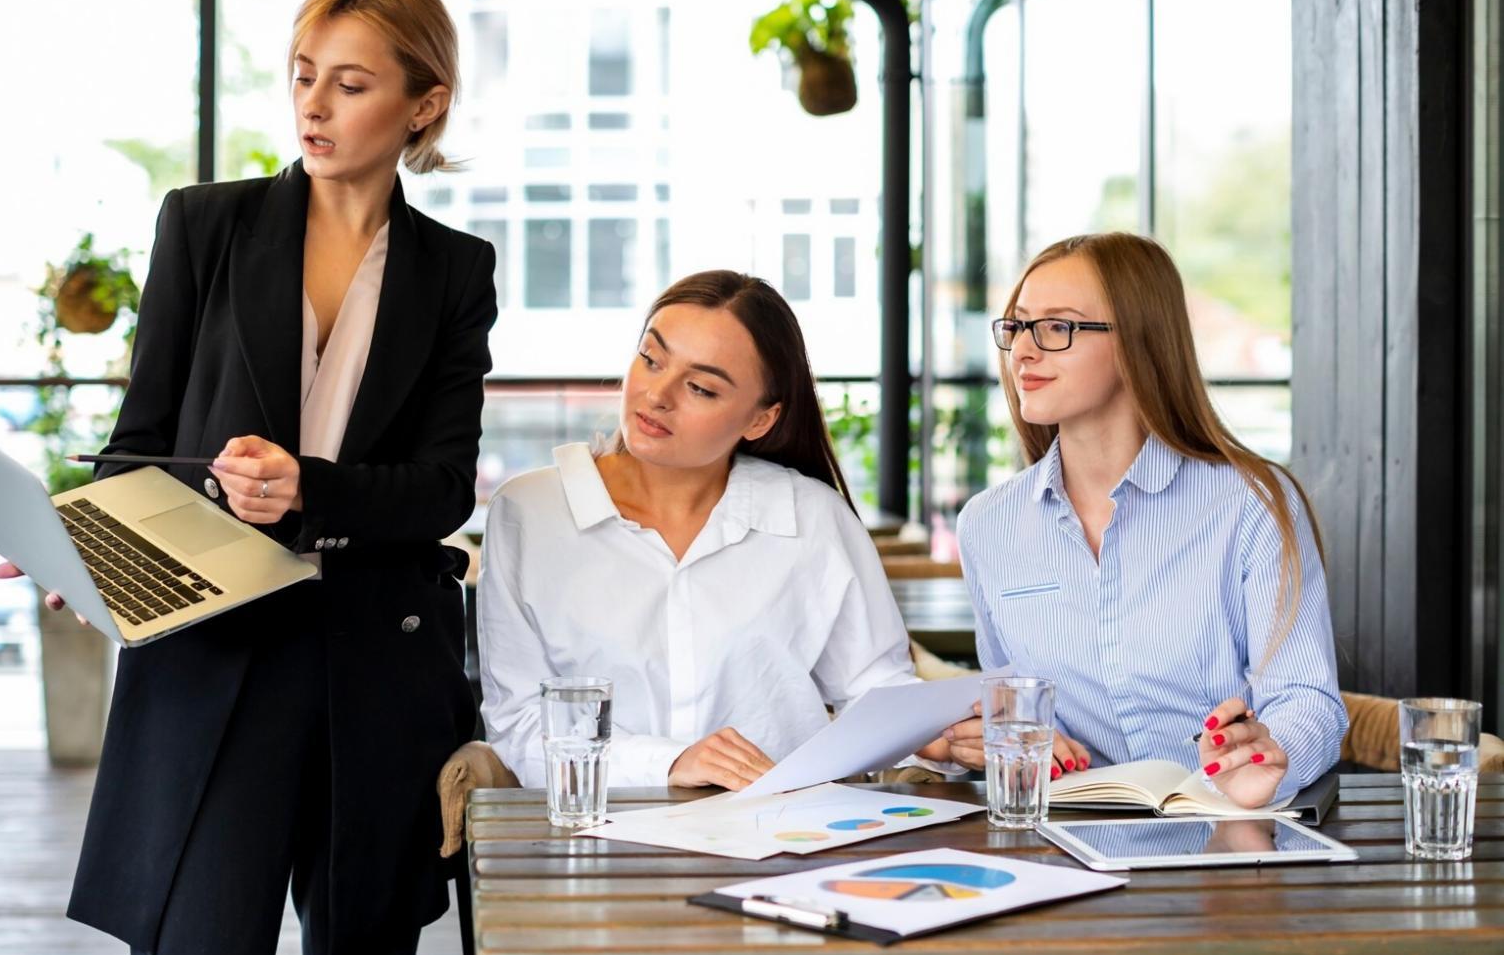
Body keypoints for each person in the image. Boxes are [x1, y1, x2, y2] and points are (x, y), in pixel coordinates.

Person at [0, 0, 495, 955]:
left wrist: (306, 488)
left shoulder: (454, 270)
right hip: (216, 647)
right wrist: (90, 546)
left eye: (351, 84)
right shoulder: (205, 227)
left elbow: (443, 486)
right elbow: (141, 444)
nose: (314, 105)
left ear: (424, 101)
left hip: (375, 659)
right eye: (305, 75)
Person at [477, 271, 972, 790]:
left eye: (701, 387)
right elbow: (520, 727)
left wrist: (930, 735)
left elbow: (873, 687)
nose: (657, 395)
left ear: (760, 420)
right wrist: (670, 763)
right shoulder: (529, 513)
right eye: (651, 359)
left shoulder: (811, 517)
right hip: (597, 840)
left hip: (781, 838)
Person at [944, 233, 1346, 810]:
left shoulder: (1250, 502)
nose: (1023, 352)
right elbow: (1009, 701)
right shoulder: (988, 524)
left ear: (1138, 342)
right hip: (1063, 845)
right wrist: (1004, 735)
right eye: (1017, 326)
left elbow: (1308, 700)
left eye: (1057, 327)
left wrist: (1270, 756)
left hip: (1223, 841)